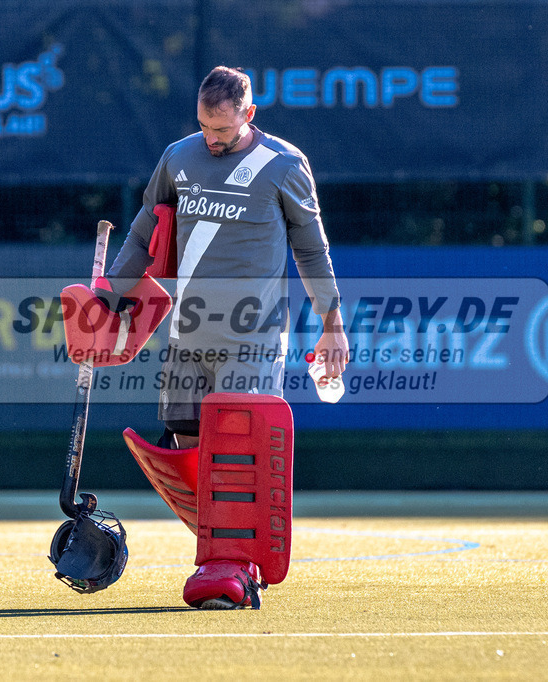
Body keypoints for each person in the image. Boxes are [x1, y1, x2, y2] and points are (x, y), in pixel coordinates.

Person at [89, 66, 348, 608]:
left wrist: (332, 322)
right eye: (205, 128)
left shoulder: (283, 165)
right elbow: (145, 228)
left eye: (223, 131)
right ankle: (225, 553)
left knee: (236, 452)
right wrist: (109, 296)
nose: (212, 139)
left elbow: (312, 250)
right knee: (186, 449)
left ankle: (232, 566)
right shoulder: (178, 157)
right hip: (187, 331)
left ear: (248, 116)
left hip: (252, 335)